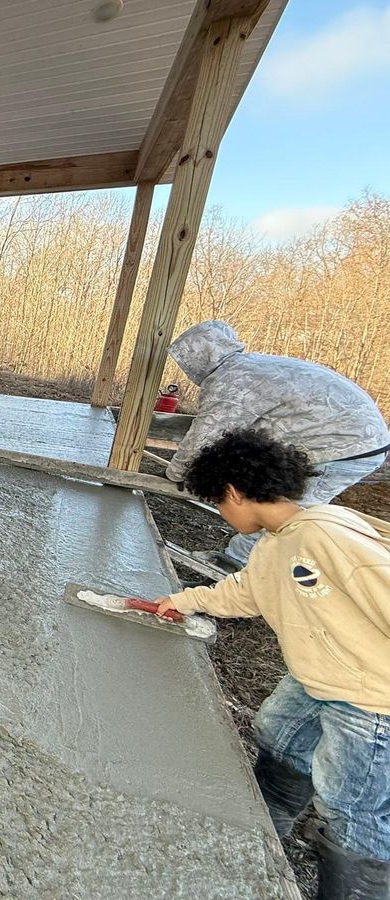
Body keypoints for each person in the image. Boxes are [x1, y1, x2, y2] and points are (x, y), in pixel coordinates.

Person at [154, 429, 389, 899]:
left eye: (220, 503)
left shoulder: (325, 537)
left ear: (237, 492)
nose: (222, 513)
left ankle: (357, 888)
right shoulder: (280, 540)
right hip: (319, 677)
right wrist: (183, 600)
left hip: (371, 699)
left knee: (352, 807)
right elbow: (246, 591)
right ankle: (262, 841)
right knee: (278, 737)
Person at [165, 321, 389, 569]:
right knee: (275, 509)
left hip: (344, 447)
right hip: (353, 439)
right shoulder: (252, 366)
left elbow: (204, 436)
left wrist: (175, 474)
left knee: (277, 514)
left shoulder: (231, 380)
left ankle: (234, 572)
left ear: (196, 360)